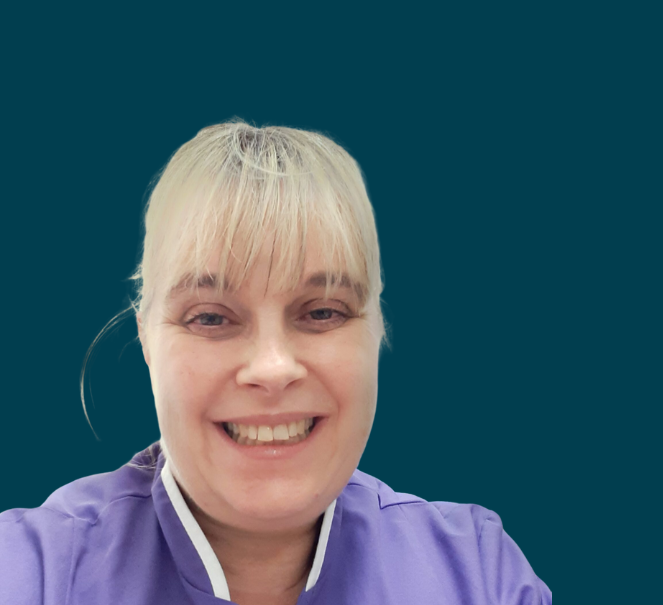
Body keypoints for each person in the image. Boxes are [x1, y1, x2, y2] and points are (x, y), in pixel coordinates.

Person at [0, 121, 552, 605]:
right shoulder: (28, 573)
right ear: (147, 339)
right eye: (211, 318)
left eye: (322, 312)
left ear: (377, 331)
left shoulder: (479, 577)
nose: (271, 367)